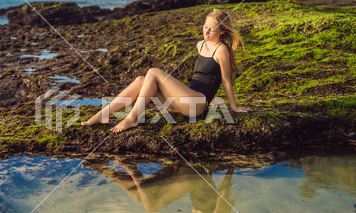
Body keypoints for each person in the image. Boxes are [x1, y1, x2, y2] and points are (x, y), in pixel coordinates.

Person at [81, 9, 252, 133]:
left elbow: (225, 80)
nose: (206, 31)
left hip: (196, 105)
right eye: (205, 26)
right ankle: (102, 115)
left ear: (222, 31)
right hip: (184, 101)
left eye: (211, 29)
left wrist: (234, 107)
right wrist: (213, 98)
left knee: (154, 72)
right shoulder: (200, 45)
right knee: (141, 80)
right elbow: (206, 76)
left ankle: (132, 118)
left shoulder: (221, 50)